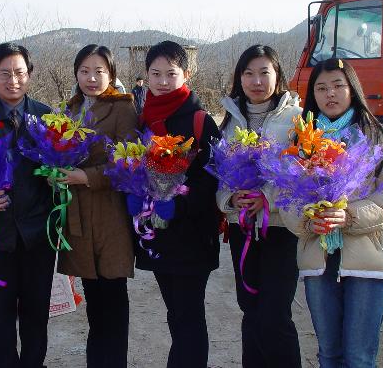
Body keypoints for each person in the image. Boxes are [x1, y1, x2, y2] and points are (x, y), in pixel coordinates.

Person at [280, 58, 383, 367]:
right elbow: (284, 195)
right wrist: (307, 219)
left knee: (359, 357)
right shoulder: (299, 142)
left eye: (338, 86)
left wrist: (350, 216)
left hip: (368, 259)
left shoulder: (380, 136)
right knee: (329, 354)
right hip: (318, 259)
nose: (330, 94)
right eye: (321, 88)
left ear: (352, 89)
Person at [128, 40, 221, 368]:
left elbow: (214, 178)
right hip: (159, 235)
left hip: (192, 236)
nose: (163, 81)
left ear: (186, 74)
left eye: (171, 73)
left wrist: (179, 203)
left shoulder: (200, 120)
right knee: (176, 314)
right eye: (156, 74)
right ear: (146, 75)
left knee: (189, 315)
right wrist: (136, 192)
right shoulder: (143, 119)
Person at [0, 42, 55, 368]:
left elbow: (58, 173)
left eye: (19, 72)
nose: (13, 80)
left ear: (29, 74)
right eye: (5, 73)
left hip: (36, 236)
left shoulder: (47, 117)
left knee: (36, 314)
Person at [216, 44, 302, 367]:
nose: (256, 81)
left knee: (275, 315)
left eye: (264, 72)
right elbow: (219, 174)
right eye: (248, 73)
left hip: (280, 228)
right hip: (242, 228)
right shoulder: (230, 120)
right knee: (250, 311)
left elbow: (303, 171)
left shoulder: (296, 119)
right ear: (239, 78)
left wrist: (268, 197)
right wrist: (230, 199)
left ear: (277, 75)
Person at [56, 44, 137, 368]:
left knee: (113, 300)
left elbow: (128, 161)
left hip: (110, 217)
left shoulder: (122, 108)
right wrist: (54, 173)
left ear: (111, 74)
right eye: (84, 71)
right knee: (94, 303)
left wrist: (85, 176)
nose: (91, 78)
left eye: (99, 71)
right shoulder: (70, 109)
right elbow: (56, 151)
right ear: (76, 74)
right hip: (78, 217)